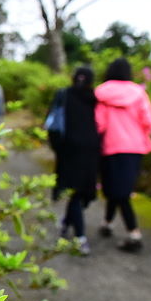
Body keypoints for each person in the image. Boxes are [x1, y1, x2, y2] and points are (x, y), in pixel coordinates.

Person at [94, 57, 151, 252]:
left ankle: (134, 233)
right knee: (121, 189)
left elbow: (100, 124)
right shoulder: (138, 93)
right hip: (135, 147)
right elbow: (149, 121)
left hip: (111, 147)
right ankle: (108, 223)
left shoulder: (102, 93)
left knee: (115, 190)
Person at [47, 66, 101, 256]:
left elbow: (52, 123)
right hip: (90, 151)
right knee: (79, 194)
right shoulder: (95, 98)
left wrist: (58, 148)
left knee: (76, 193)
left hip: (69, 151)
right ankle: (79, 236)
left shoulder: (64, 95)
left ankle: (71, 229)